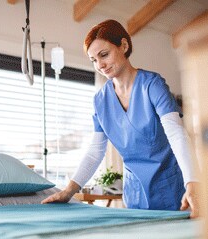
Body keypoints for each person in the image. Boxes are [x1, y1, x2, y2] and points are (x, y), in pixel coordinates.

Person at [42, 19, 199, 218]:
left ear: (123, 46)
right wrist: (68, 191)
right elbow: (95, 151)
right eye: (93, 60)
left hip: (172, 189)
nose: (100, 65)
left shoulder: (152, 85)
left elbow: (176, 134)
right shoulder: (100, 100)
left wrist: (192, 183)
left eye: (104, 55)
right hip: (134, 194)